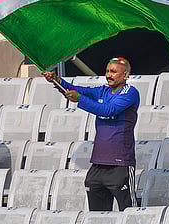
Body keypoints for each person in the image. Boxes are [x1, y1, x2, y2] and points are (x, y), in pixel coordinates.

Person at [43, 57, 140, 211]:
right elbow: (76, 90)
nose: (109, 75)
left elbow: (108, 110)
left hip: (120, 164)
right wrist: (56, 80)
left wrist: (80, 99)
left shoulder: (130, 92)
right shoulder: (102, 91)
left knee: (130, 213)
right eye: (107, 71)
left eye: (113, 72)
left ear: (126, 75)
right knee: (97, 215)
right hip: (98, 164)